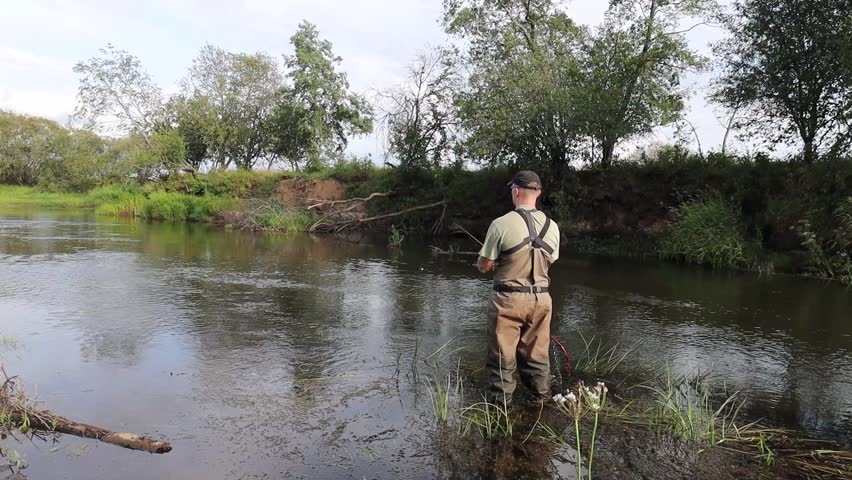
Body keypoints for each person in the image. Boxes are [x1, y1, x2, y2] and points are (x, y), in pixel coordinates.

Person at [476, 170, 560, 403]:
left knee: (502, 357)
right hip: (542, 301)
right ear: (538, 193)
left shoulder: (500, 224)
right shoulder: (552, 227)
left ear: (516, 191)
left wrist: (484, 262)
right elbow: (548, 264)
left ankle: (500, 411)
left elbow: (485, 266)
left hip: (508, 300)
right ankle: (542, 401)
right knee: (538, 356)